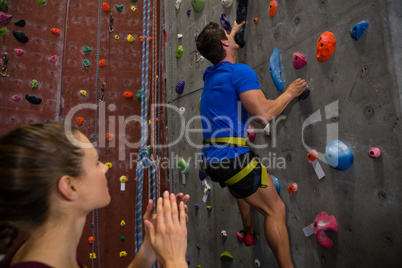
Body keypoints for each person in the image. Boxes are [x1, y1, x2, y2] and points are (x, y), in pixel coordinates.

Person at [196, 21, 309, 268]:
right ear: (224, 43)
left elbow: (220, 58)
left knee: (245, 189)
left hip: (214, 159)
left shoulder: (210, 75)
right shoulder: (240, 72)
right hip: (233, 158)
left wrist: (231, 35)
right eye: (227, 35)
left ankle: (248, 230)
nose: (230, 35)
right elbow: (264, 114)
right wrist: (289, 93)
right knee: (275, 210)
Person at [0, 121, 189, 268]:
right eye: (96, 162)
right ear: (70, 187)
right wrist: (175, 260)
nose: (104, 169)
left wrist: (149, 249)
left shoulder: (52, 252)